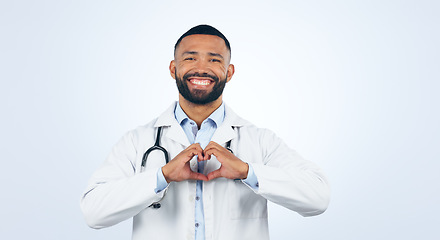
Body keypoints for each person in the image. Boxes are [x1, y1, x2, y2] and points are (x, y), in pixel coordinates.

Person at [81, 24, 330, 240]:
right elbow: (93, 212)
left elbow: (318, 198)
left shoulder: (260, 141)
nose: (202, 68)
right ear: (173, 68)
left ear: (229, 72)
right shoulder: (137, 141)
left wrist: (247, 171)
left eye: (214, 59)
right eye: (190, 58)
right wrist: (162, 176)